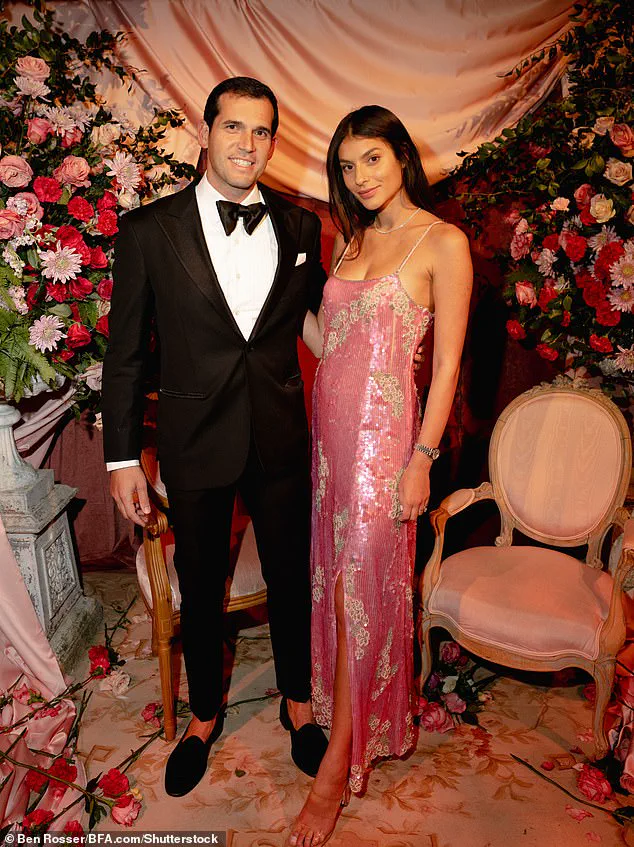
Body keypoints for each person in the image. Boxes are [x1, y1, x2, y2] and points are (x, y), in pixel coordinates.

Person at [101, 77, 329, 798]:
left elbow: (320, 323)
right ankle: (203, 718)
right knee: (200, 586)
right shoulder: (149, 230)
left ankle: (298, 703)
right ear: (206, 131)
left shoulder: (301, 228)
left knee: (291, 574)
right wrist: (120, 458)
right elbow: (125, 355)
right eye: (234, 127)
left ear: (274, 142)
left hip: (280, 434)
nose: (248, 144)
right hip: (195, 437)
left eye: (262, 131)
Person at [290, 106, 473, 845]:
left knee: (357, 592)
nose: (360, 176)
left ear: (402, 155)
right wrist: (279, 307)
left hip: (386, 448)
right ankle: (352, 721)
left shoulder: (444, 242)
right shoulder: (353, 238)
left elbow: (448, 365)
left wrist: (421, 459)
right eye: (347, 165)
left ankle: (334, 769)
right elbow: (330, 342)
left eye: (372, 158)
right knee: (337, 591)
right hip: (330, 447)